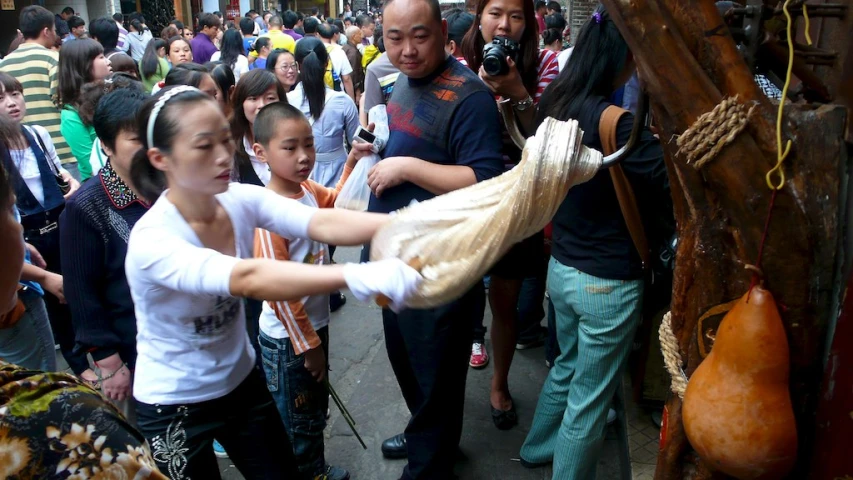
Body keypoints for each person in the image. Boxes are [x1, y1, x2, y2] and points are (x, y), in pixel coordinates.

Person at [126, 85, 420, 478]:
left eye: (225, 140)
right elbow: (250, 277)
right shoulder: (154, 240)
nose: (222, 156)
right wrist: (357, 274)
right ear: (160, 158)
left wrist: (406, 225)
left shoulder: (239, 198)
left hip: (241, 384)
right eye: (203, 146)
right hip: (174, 406)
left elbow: (319, 220)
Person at [519, 7, 671, 477]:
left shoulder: (556, 104)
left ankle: (536, 447)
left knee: (566, 366)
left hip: (563, 268)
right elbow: (671, 183)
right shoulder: (619, 124)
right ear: (623, 59)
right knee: (590, 398)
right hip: (607, 283)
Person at [368, 0, 504, 476]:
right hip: (395, 260)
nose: (407, 50)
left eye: (419, 36)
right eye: (394, 38)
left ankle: (430, 462)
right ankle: (428, 433)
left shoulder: (470, 96)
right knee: (409, 364)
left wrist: (405, 167)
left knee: (437, 372)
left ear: (443, 31)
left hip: (440, 267)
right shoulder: (402, 83)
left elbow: (487, 177)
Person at [461, 0, 560, 430]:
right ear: (478, 15)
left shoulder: (548, 64)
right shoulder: (459, 64)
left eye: (516, 16)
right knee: (456, 301)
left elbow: (548, 141)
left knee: (506, 303)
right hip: (467, 199)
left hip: (519, 200)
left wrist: (518, 91)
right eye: (495, 13)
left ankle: (499, 384)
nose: (504, 25)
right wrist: (479, 89)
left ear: (529, 21)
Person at [251, 101, 362, 480]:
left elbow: (337, 204)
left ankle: (315, 467)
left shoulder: (306, 190)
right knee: (298, 419)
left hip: (312, 329)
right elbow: (278, 292)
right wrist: (310, 347)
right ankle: (306, 471)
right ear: (260, 151)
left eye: (309, 145)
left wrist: (352, 162)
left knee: (313, 409)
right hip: (289, 340)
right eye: (290, 147)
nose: (304, 157)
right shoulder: (268, 214)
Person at [59, 88, 148, 423]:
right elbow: (82, 293)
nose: (150, 148)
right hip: (130, 347)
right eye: (136, 139)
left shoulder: (171, 187)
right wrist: (109, 362)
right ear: (107, 145)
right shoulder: (86, 207)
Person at [0, 72, 91, 381]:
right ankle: (76, 365)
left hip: (58, 224)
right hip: (28, 235)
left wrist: (71, 184)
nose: (12, 103)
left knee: (72, 290)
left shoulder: (37, 134)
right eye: (1, 98)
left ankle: (90, 352)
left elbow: (58, 172)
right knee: (50, 306)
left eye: (16, 94)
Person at [0, 6, 73, 170]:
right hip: (61, 150)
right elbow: (64, 104)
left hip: (23, 151)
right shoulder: (54, 59)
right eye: (54, 29)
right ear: (46, 31)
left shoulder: (3, 64)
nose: (56, 34)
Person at [288, 38, 358, 189]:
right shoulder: (343, 101)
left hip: (299, 174)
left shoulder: (287, 102)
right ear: (326, 63)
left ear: (298, 65)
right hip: (339, 175)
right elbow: (356, 143)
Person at [58, 39, 113, 181]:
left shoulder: (111, 93)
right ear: (84, 65)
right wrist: (123, 190)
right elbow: (89, 163)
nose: (108, 61)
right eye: (101, 57)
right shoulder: (71, 115)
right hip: (102, 186)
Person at [230, 69, 285, 186]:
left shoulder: (294, 139)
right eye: (253, 98)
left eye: (270, 98)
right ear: (241, 103)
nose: (261, 105)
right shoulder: (232, 147)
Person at [317, 24, 356, 102]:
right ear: (333, 35)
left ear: (317, 34)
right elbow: (346, 78)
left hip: (317, 95)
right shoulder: (339, 51)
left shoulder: (313, 50)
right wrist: (352, 100)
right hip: (336, 95)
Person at [343, 26, 364, 102]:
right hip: (353, 91)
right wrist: (357, 92)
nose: (362, 36)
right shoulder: (353, 53)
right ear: (354, 37)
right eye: (359, 34)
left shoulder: (345, 47)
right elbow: (354, 74)